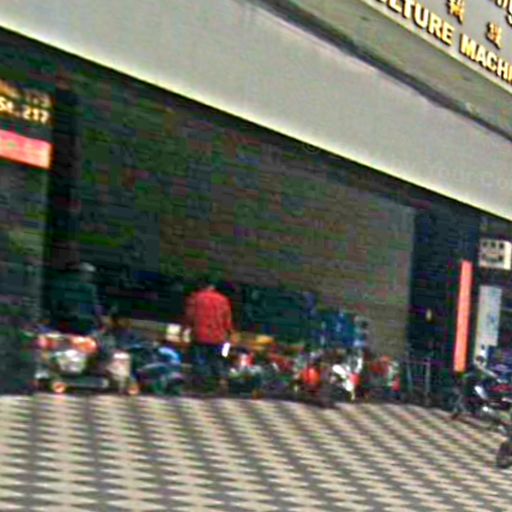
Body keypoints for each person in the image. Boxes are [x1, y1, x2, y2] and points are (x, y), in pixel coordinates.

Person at [181, 276, 234, 393]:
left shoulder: (195, 298)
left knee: (200, 361)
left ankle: (204, 385)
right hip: (219, 337)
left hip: (200, 336)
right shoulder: (223, 300)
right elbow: (227, 319)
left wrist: (183, 331)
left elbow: (189, 316)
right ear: (213, 286)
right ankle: (219, 382)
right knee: (217, 360)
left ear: (201, 285)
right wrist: (229, 334)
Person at [48, 262, 103, 334]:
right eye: (89, 274)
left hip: (62, 323)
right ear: (82, 273)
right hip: (72, 324)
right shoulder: (89, 288)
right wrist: (100, 321)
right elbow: (95, 306)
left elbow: (53, 305)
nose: (90, 277)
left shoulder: (59, 283)